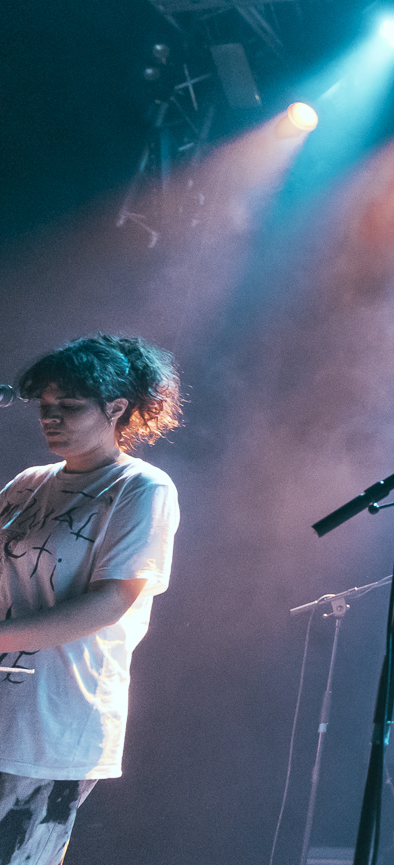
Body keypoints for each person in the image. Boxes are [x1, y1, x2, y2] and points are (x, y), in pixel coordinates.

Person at [0, 335, 181, 864]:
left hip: (57, 718)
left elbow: (110, 602)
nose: (50, 418)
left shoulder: (141, 487)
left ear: (117, 408)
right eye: (46, 407)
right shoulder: (27, 483)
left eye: (69, 407)